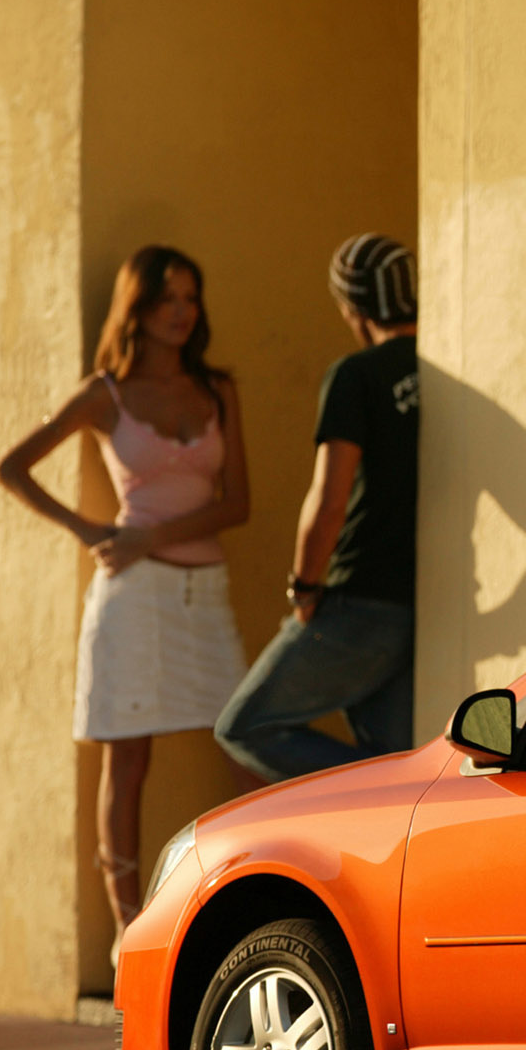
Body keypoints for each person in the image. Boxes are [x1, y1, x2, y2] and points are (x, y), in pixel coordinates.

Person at [0, 246, 251, 963]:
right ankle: (129, 931)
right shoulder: (103, 395)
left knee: (239, 736)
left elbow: (239, 503)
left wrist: (153, 536)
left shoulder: (218, 389)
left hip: (204, 593)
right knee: (126, 758)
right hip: (130, 601)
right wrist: (91, 532)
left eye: (191, 298)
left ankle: (252, 902)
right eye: (167, 297)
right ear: (136, 308)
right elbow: (11, 467)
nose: (181, 311)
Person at [216, 234, 419, 781]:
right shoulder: (443, 371)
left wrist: (305, 587)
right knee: (391, 751)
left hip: (359, 600)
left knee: (244, 726)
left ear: (351, 307)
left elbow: (329, 498)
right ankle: (393, 790)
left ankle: (386, 792)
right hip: (424, 603)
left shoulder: (356, 375)